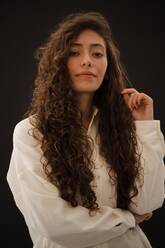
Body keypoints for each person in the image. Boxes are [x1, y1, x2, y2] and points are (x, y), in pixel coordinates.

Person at [7, 11, 165, 248]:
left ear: (107, 65)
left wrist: (144, 126)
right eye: (74, 52)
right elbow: (54, 224)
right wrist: (127, 219)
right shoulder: (31, 132)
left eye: (97, 53)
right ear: (58, 62)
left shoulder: (122, 128)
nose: (87, 60)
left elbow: (148, 202)